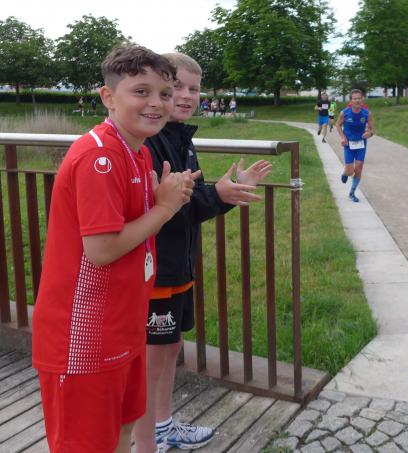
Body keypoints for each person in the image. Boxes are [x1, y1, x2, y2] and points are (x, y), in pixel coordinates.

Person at [31, 45, 198, 453]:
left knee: (122, 431)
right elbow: (102, 249)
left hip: (123, 324)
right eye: (141, 92)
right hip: (83, 335)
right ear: (108, 97)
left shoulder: (137, 151)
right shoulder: (100, 156)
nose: (156, 103)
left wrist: (161, 202)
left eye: (163, 93)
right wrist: (165, 208)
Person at [134, 53, 272, 453]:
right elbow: (167, 207)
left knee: (170, 348)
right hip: (156, 269)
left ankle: (163, 426)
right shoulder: (152, 141)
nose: (185, 95)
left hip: (179, 265)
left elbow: (187, 202)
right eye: (176, 86)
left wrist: (223, 192)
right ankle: (147, 441)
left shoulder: (180, 137)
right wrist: (220, 195)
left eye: (193, 89)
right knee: (152, 360)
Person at [336, 89, 375, 202]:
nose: (357, 100)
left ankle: (352, 193)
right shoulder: (344, 113)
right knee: (350, 171)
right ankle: (345, 173)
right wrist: (343, 138)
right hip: (349, 144)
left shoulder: (367, 113)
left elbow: (372, 130)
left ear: (362, 99)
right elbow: (338, 125)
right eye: (355, 99)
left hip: (361, 144)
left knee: (358, 168)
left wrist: (369, 134)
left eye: (359, 98)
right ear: (351, 100)